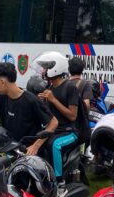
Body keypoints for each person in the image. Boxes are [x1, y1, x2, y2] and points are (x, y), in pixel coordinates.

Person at [34, 52, 83, 182]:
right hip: (53, 130)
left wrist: (53, 99)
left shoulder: (70, 87)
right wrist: (41, 101)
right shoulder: (49, 87)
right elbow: (49, 113)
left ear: (55, 68)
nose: (44, 70)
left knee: (54, 145)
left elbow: (73, 116)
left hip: (69, 132)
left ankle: (58, 181)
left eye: (46, 67)